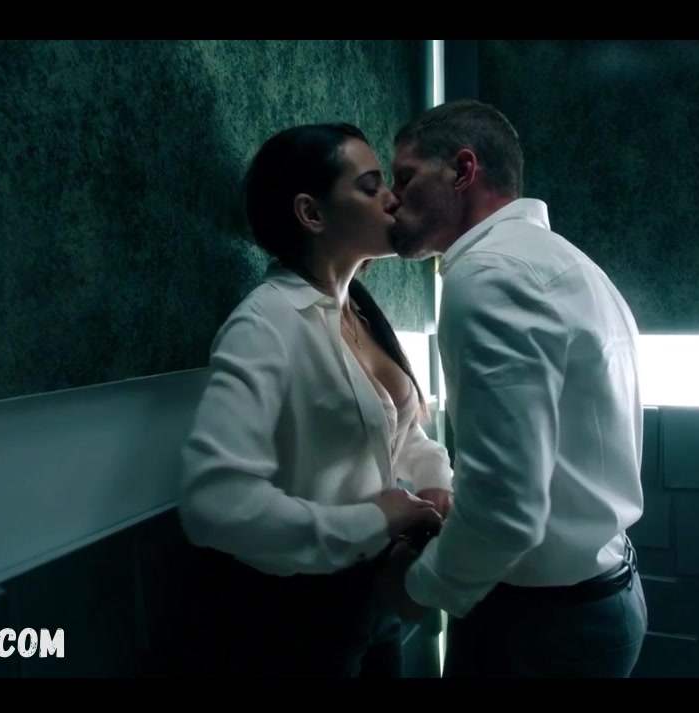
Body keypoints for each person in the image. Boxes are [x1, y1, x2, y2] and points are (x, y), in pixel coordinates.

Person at [376, 99, 648, 678]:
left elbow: (507, 510)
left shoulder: (489, 275)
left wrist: (420, 587)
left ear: (463, 170)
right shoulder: (568, 265)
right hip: (598, 598)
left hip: (543, 630)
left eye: (405, 177)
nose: (391, 199)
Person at [176, 122, 453, 678]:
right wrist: (373, 520)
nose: (392, 198)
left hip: (375, 593)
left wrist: (435, 483)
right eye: (371, 186)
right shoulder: (263, 325)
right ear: (311, 213)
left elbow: (402, 432)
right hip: (295, 619)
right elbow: (214, 503)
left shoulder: (361, 310)